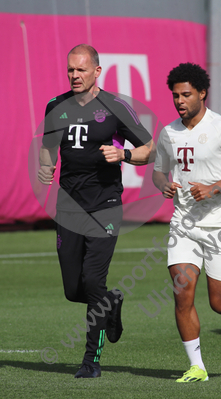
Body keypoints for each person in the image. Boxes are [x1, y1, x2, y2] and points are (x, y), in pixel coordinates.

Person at [38, 44, 155, 378]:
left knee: (92, 280)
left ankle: (91, 360)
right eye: (71, 70)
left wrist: (125, 156)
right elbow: (47, 148)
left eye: (81, 70)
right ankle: (111, 302)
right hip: (68, 207)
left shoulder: (116, 106)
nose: (75, 75)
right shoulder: (55, 106)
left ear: (97, 71)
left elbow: (149, 148)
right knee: (74, 290)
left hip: (105, 206)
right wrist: (45, 168)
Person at [152, 63, 221, 382]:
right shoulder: (168, 133)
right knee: (181, 294)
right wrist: (163, 185)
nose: (179, 101)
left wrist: (214, 187)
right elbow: (159, 170)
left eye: (186, 94)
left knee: (219, 304)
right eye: (175, 95)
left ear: (202, 93)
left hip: (220, 226)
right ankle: (196, 366)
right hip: (183, 225)